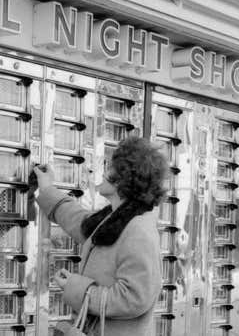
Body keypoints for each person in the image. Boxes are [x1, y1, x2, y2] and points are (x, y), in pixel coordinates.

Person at [33, 136, 166, 336]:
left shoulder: (138, 230)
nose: (104, 171)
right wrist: (47, 188)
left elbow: (135, 298)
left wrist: (76, 288)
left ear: (125, 178)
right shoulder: (114, 220)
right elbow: (79, 221)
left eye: (110, 166)